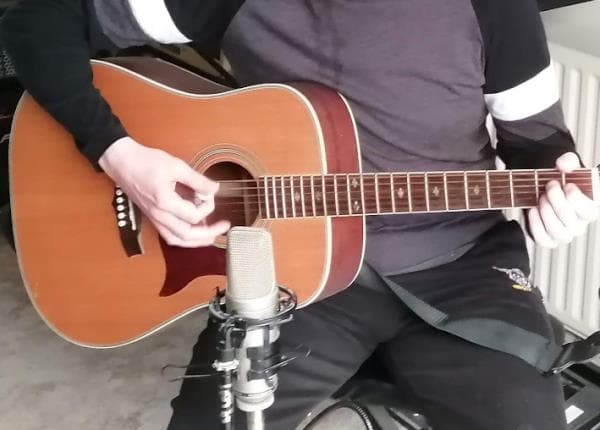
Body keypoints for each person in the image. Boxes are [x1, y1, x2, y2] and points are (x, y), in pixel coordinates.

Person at [2, 1, 599, 429]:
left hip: (463, 269)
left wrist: (555, 199)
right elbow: (36, 19)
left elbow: (538, 149)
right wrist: (121, 155)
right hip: (293, 272)